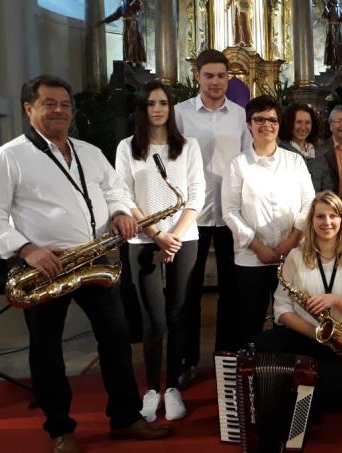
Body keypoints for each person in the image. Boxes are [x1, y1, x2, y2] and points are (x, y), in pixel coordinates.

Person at [0, 75, 170, 453]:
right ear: (28, 108)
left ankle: (126, 418)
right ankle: (60, 429)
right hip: (45, 266)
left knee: (116, 341)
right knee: (47, 351)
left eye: (65, 104)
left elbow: (114, 190)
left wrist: (120, 212)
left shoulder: (89, 151)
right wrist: (27, 249)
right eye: (49, 104)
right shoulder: (8, 157)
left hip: (93, 258)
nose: (59, 110)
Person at [115, 81, 205, 423]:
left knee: (179, 312)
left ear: (171, 108)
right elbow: (123, 195)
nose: (157, 109)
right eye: (151, 103)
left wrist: (174, 237)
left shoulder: (188, 146)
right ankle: (152, 389)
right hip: (143, 239)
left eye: (163, 103)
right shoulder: (127, 147)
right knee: (153, 319)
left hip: (184, 238)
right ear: (142, 108)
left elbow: (196, 194)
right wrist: (156, 235)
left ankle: (173, 387)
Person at [175, 49, 252, 384]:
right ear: (197, 76)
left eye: (221, 75)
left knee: (231, 292)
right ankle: (187, 360)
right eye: (209, 75)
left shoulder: (239, 115)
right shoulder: (179, 113)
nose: (215, 81)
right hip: (191, 215)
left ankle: (226, 357)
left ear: (229, 77)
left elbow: (247, 160)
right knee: (188, 293)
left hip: (230, 214)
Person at [260, 190, 342, 412]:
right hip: (306, 335)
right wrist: (316, 333)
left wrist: (335, 300)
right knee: (257, 346)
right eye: (320, 216)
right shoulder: (295, 257)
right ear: (311, 221)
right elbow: (281, 308)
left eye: (333, 215)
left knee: (334, 396)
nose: (327, 222)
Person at [222, 95, 315, 347]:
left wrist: (291, 241)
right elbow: (230, 211)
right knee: (249, 321)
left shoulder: (294, 161)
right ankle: (252, 368)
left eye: (272, 120)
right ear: (249, 124)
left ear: (279, 123)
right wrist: (258, 247)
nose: (266, 125)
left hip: (292, 255)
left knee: (290, 321)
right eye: (259, 119)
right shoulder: (238, 164)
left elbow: (309, 203)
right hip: (251, 258)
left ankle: (284, 368)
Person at [278, 103, 333, 192]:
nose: (303, 127)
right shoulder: (281, 152)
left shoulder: (319, 153)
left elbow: (328, 188)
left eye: (307, 122)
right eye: (299, 122)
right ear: (289, 123)